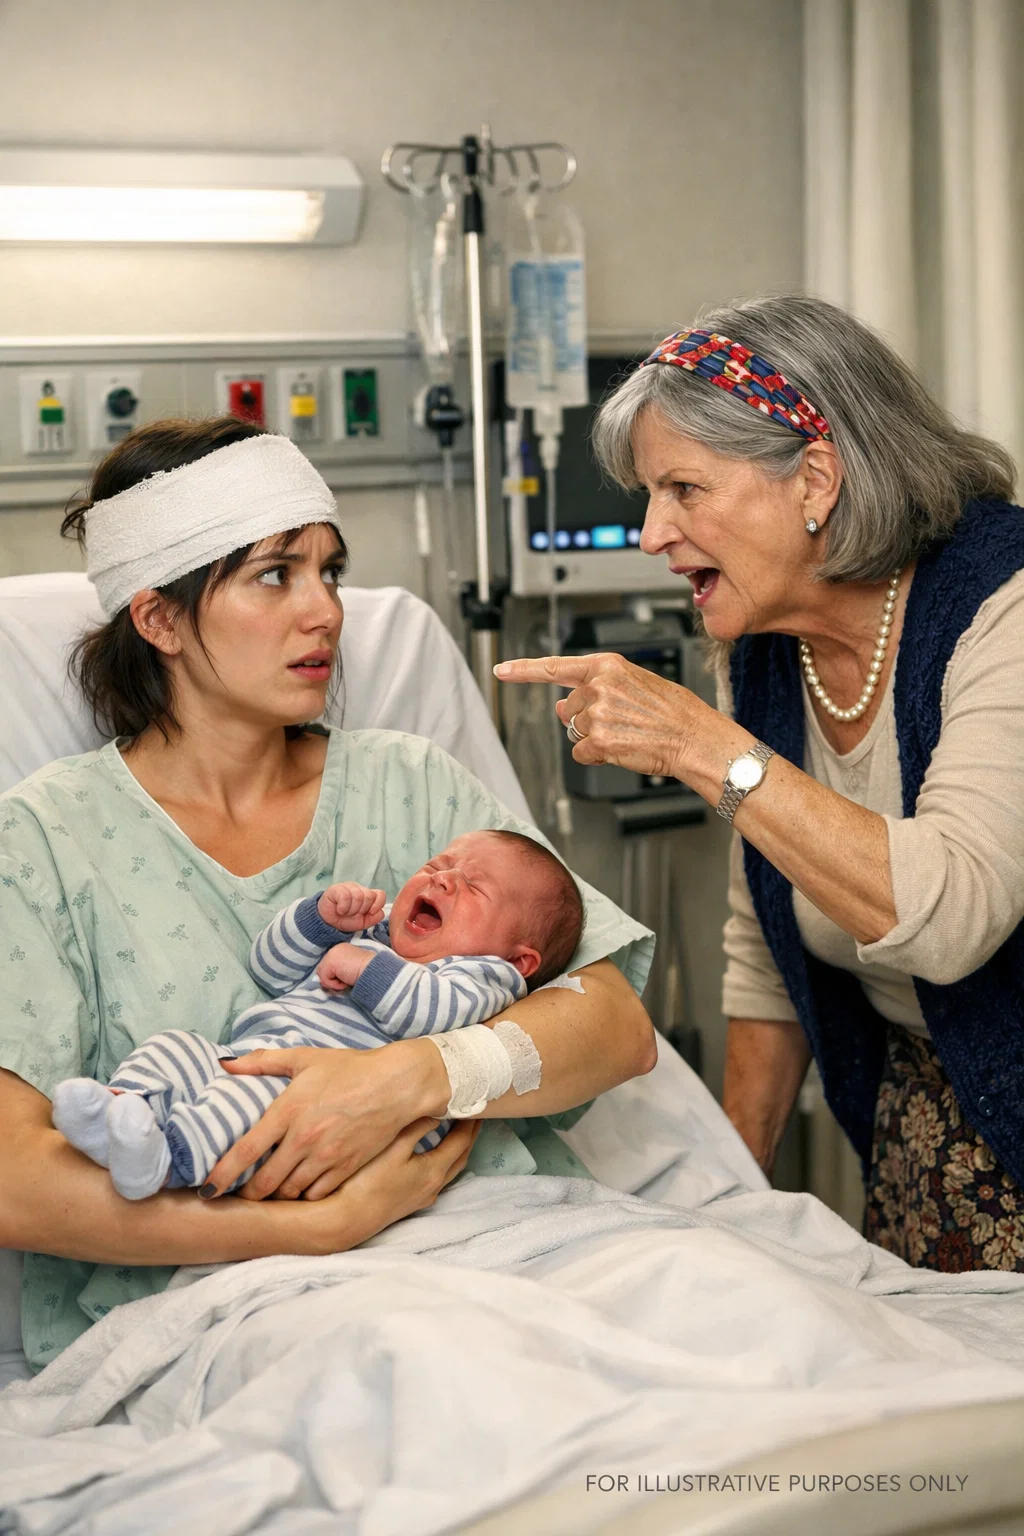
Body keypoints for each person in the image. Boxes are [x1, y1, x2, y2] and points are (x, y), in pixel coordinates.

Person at [0, 417, 655, 1371]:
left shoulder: (410, 785)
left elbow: (616, 1028)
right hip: (237, 1304)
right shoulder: (45, 843)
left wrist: (406, 1079)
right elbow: (15, 1179)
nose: (326, 613)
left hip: (503, 1243)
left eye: (331, 573)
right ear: (160, 620)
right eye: (276, 575)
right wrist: (318, 1227)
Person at [496, 294, 1024, 1273]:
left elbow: (951, 917)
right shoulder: (767, 648)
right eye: (648, 494)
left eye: (683, 489)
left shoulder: (1004, 607)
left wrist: (701, 745)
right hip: (924, 1133)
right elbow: (768, 944)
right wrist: (732, 1207)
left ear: (815, 479)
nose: (652, 533)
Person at [52, 829, 585, 1199]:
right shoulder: (375, 932)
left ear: (520, 959)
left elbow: (433, 1015)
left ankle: (166, 1160)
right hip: (247, 1056)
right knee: (175, 1046)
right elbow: (269, 968)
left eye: (474, 887)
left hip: (326, 1105)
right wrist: (320, 921)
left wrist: (362, 967)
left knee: (246, 1102)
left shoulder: (485, 977)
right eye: (436, 867)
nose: (442, 880)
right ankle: (121, 1110)